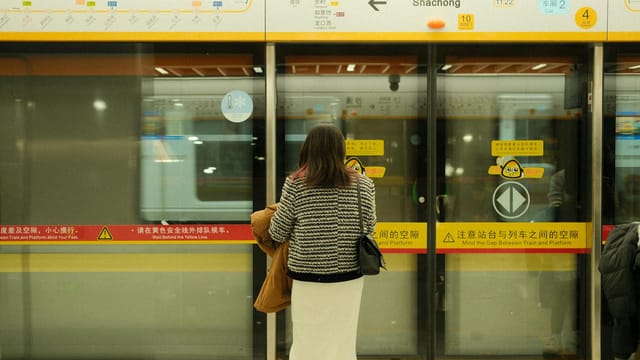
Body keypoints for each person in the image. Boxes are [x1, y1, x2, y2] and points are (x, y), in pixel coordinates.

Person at [268, 125, 376, 360]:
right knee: (342, 342)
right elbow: (369, 228)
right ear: (341, 150)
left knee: (308, 341)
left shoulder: (296, 184)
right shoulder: (364, 185)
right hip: (349, 275)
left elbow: (278, 231)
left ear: (309, 149)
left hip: (308, 277)